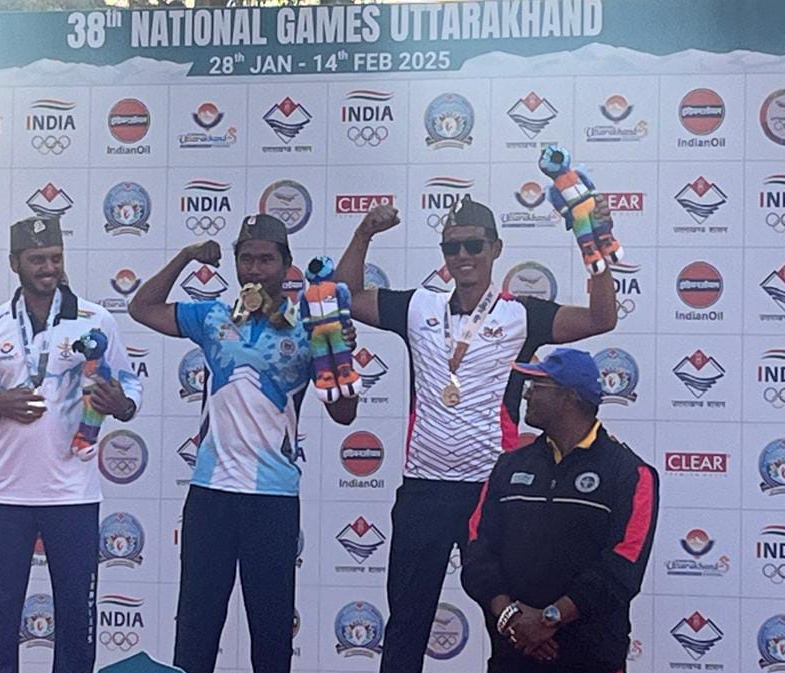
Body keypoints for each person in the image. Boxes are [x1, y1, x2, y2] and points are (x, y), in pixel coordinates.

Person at [336, 197, 617, 673]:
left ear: (495, 249)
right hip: (424, 489)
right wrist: (364, 232)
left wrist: (593, 245)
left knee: (508, 626)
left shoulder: (521, 314)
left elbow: (601, 318)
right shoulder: (417, 306)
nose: (463, 256)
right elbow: (342, 297)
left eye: (473, 245)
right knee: (406, 624)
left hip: (494, 493)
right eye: (452, 247)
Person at [128, 214, 358, 673]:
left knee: (271, 634)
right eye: (246, 259)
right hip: (209, 494)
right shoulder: (212, 316)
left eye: (266, 260)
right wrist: (186, 256)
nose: (255, 269)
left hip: (272, 498)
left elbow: (344, 413)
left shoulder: (309, 326)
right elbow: (142, 307)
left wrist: (338, 352)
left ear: (286, 265)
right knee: (195, 629)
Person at [0, 215, 143, 673]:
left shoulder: (95, 318)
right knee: (0, 617)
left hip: (73, 494)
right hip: (6, 494)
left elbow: (131, 387)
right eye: (37, 259)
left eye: (55, 258)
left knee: (76, 616)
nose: (48, 268)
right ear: (14, 262)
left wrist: (120, 404)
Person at [461, 348, 659, 673]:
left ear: (570, 397)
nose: (527, 394)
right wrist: (512, 616)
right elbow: (477, 549)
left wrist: (549, 619)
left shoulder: (631, 473)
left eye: (537, 386)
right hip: (514, 652)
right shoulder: (508, 465)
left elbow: (622, 568)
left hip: (592, 657)